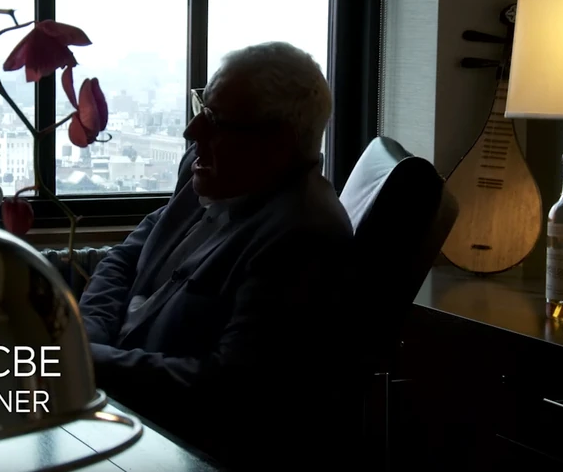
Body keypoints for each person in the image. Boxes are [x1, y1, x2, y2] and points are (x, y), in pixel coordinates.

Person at [78, 42, 359, 468]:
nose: (192, 132)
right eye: (201, 108)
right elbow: (124, 258)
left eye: (215, 120)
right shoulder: (209, 171)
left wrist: (85, 363)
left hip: (165, 444)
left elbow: (224, 389)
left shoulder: (304, 236)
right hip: (102, 397)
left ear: (278, 143)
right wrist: (87, 338)